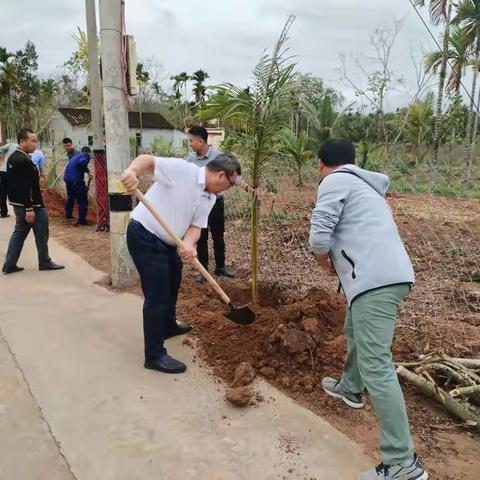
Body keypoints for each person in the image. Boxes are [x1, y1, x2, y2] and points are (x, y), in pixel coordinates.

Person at [309, 139, 427, 480]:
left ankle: (403, 463)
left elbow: (319, 237)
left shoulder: (334, 180)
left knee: (377, 365)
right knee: (354, 330)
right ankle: (350, 386)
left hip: (374, 281)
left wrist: (324, 263)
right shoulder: (368, 188)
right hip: (386, 276)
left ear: (322, 164)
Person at [120, 153, 241, 374]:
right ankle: (154, 355)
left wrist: (189, 244)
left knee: (174, 277)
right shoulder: (183, 171)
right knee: (156, 294)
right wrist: (132, 172)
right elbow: (147, 160)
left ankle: (167, 325)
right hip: (144, 235)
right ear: (222, 175)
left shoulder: (210, 198)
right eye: (230, 184)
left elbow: (196, 227)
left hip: (167, 242)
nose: (228, 189)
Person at [2, 129, 64, 275]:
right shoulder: (22, 160)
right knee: (41, 232)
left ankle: (9, 264)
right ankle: (44, 261)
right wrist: (29, 208)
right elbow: (24, 186)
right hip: (32, 206)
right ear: (22, 141)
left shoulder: (14, 158)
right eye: (32, 140)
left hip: (20, 204)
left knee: (19, 233)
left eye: (36, 140)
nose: (35, 144)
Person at [187, 125, 235, 283]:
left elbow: (233, 175)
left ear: (201, 141)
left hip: (216, 202)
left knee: (218, 235)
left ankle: (220, 267)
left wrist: (250, 188)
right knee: (201, 237)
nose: (191, 144)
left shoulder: (218, 157)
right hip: (200, 203)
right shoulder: (190, 160)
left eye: (192, 141)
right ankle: (204, 271)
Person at [64, 146, 91, 225]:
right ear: (88, 152)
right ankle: (82, 220)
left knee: (71, 197)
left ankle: (68, 214)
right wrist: (84, 169)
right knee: (82, 200)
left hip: (68, 179)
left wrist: (87, 171)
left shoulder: (76, 156)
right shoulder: (85, 155)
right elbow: (82, 162)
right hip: (76, 181)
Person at [0, 142, 18, 218]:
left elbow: (0, 149)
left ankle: (3, 213)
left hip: (2, 171)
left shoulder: (11, 145)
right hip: (10, 172)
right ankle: (18, 212)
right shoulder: (17, 147)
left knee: (2, 192)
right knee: (13, 192)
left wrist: (2, 155)